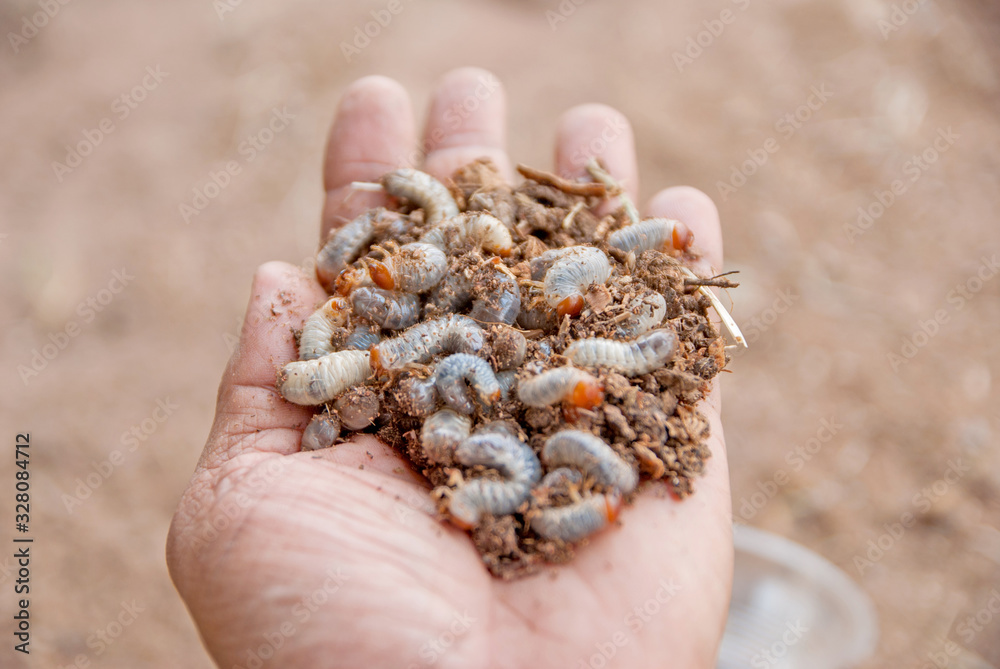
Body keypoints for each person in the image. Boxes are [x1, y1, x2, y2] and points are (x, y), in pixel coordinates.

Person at [167, 68, 733, 669]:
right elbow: (459, 340)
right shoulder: (447, 343)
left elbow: (483, 349)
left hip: (452, 361)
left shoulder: (521, 370)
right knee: (458, 349)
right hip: (435, 355)